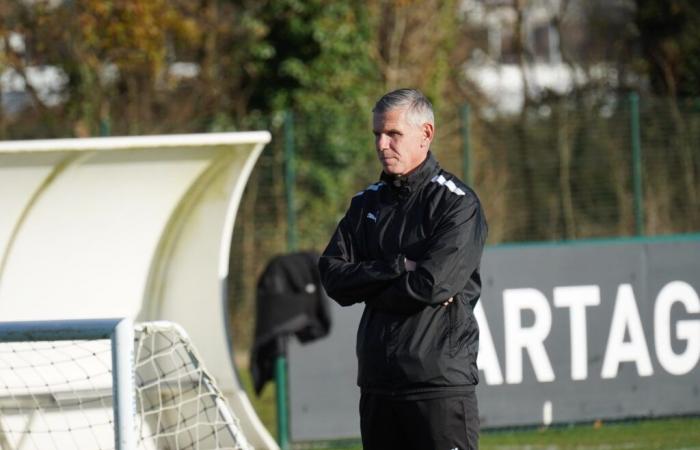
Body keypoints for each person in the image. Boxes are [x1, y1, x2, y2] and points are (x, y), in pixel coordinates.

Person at [318, 88, 488, 450]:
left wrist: (366, 285)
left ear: (426, 134)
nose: (382, 144)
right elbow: (332, 275)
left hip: (437, 385)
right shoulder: (365, 204)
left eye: (393, 134)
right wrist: (396, 267)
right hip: (378, 384)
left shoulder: (456, 204)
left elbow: (431, 285)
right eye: (377, 134)